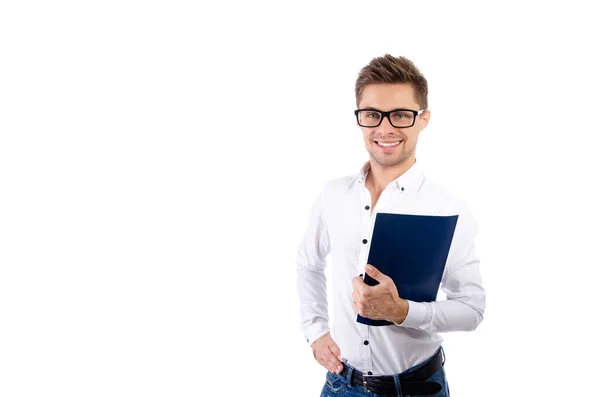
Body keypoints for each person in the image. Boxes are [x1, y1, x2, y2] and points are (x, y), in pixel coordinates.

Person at [296, 54, 486, 397]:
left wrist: (403, 311)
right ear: (359, 118)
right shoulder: (333, 194)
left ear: (423, 119)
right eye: (372, 115)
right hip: (341, 385)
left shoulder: (447, 207)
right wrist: (315, 331)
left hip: (417, 389)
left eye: (400, 115)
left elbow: (471, 309)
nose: (385, 129)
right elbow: (308, 263)